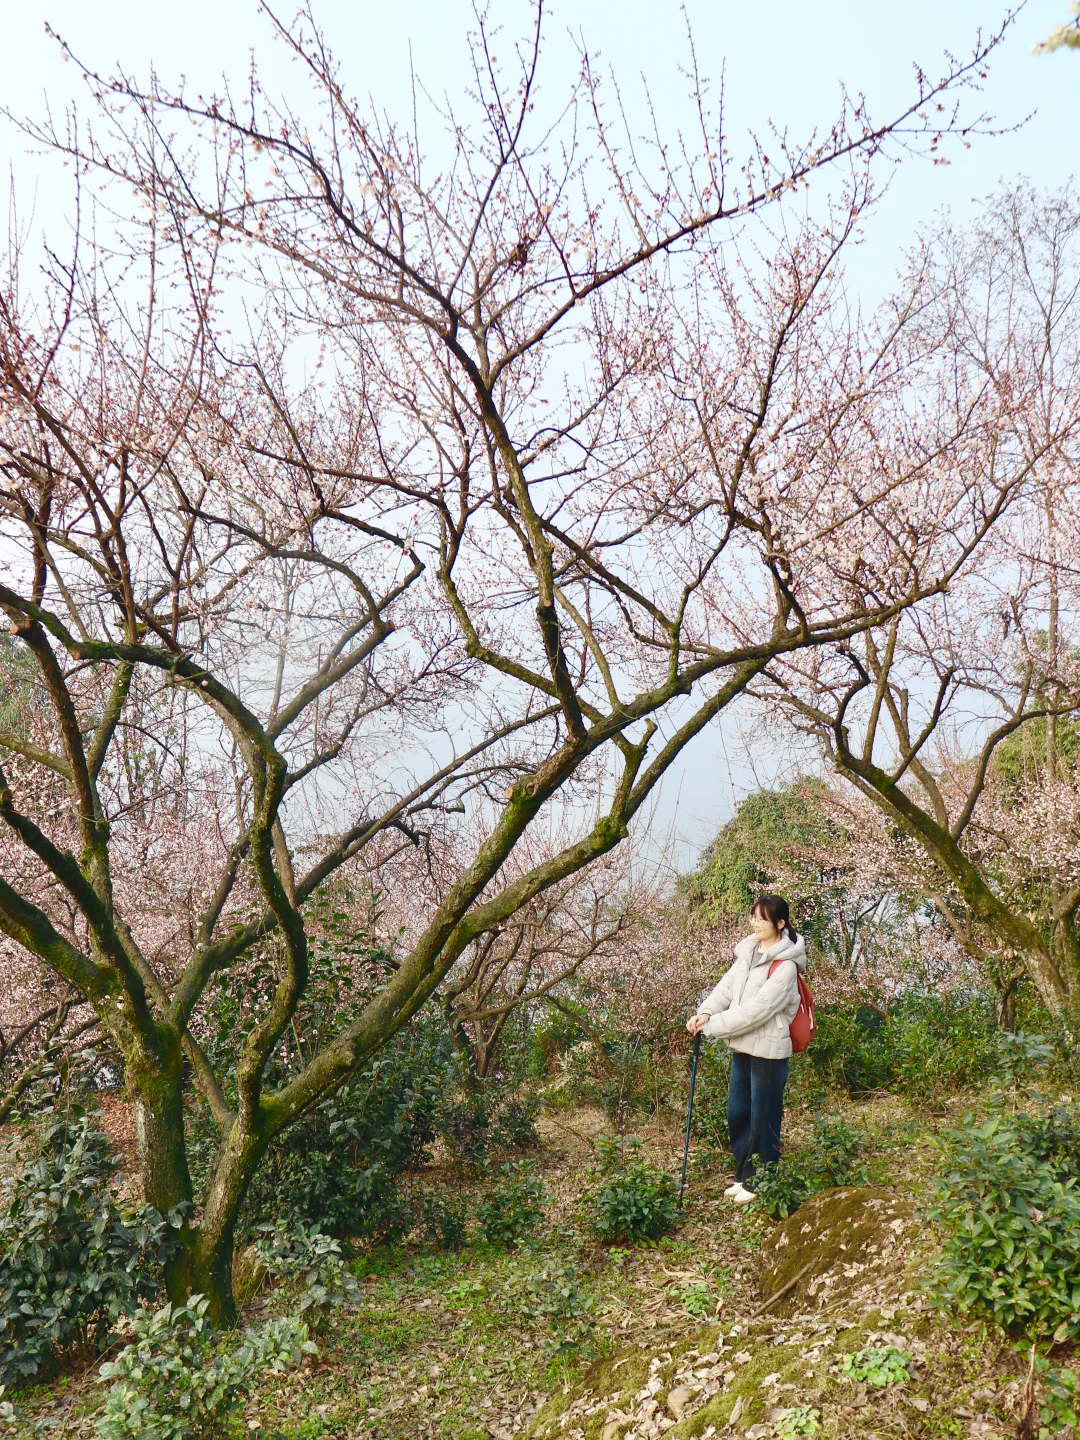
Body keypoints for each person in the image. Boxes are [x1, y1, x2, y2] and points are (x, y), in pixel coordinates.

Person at [686, 894, 805, 1206]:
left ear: (780, 923)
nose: (755, 923)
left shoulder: (786, 966)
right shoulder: (748, 953)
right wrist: (705, 1012)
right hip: (742, 1045)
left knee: (763, 1116)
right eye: (754, 917)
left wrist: (713, 1026)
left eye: (763, 919)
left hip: (769, 1051)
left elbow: (758, 1010)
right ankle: (743, 1174)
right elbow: (725, 988)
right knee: (738, 1112)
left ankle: (760, 1180)